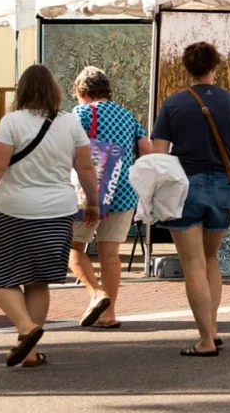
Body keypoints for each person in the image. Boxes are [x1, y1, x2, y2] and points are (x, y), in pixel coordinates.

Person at [0, 65, 97, 368]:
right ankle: (31, 351)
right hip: (58, 212)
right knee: (38, 279)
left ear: (21, 90)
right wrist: (92, 202)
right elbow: (85, 168)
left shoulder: (12, 122)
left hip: (15, 210)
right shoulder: (70, 123)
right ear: (54, 90)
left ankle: (26, 328)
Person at [149, 41, 230, 357]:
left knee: (192, 262)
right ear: (215, 66)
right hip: (224, 186)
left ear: (187, 68)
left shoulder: (173, 104)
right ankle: (213, 327)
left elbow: (158, 155)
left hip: (186, 187)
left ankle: (205, 339)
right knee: (210, 259)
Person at [69, 67, 152, 330]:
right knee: (110, 253)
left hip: (89, 191)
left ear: (83, 91)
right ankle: (109, 314)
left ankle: (96, 294)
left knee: (73, 247)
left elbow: (68, 148)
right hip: (124, 191)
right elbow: (147, 152)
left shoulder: (81, 113)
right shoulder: (128, 116)